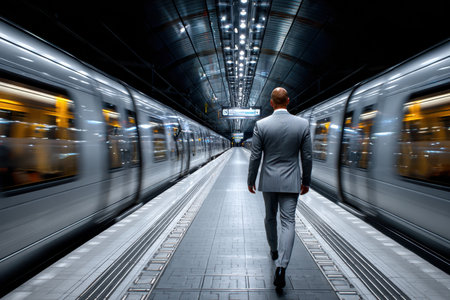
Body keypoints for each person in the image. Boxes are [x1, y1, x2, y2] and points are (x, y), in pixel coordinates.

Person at [247, 87, 312, 289]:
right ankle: (282, 266)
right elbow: (307, 156)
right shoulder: (302, 124)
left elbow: (255, 155)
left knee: (269, 217)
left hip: (269, 181)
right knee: (288, 222)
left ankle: (274, 250)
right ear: (288, 101)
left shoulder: (261, 125)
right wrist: (306, 181)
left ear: (271, 103)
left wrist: (251, 179)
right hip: (291, 181)